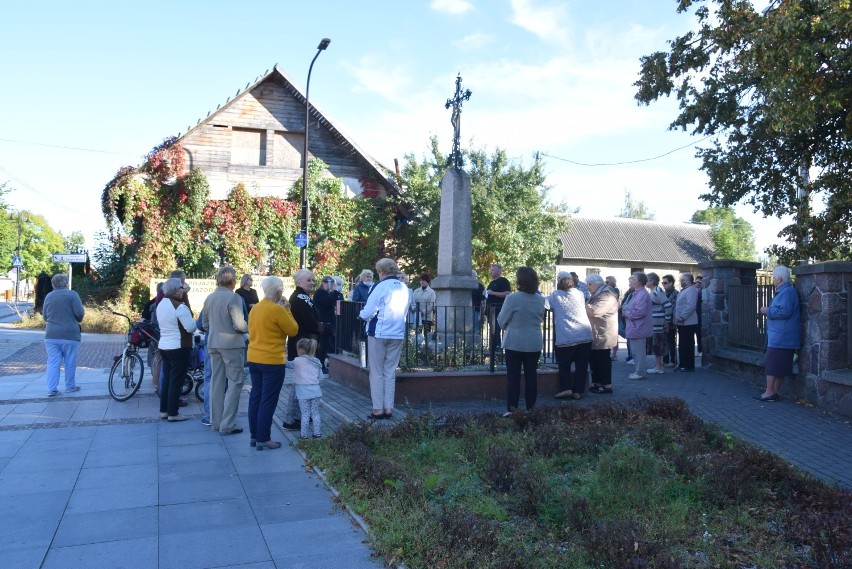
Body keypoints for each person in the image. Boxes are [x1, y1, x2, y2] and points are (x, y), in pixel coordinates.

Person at [247, 276, 298, 449]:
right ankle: (264, 437)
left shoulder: (256, 308)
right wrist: (287, 309)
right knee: (268, 399)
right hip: (272, 360)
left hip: (254, 357)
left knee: (256, 396)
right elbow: (293, 330)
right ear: (278, 291)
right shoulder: (278, 310)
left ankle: (254, 435)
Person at [358, 258, 409, 420]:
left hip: (379, 333)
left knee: (377, 372)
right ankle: (388, 408)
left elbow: (368, 311)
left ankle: (377, 409)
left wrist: (360, 315)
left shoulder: (379, 286)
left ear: (381, 271)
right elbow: (406, 311)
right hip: (397, 332)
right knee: (389, 372)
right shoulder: (404, 287)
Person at [200, 266, 248, 435]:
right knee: (235, 382)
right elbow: (240, 324)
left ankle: (215, 421)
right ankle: (228, 424)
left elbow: (204, 324)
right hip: (231, 344)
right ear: (233, 281)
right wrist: (248, 329)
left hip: (213, 343)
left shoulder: (210, 297)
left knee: (216, 382)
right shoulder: (233, 297)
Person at [498, 266, 545, 416]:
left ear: (519, 280)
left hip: (515, 342)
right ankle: (531, 408)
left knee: (513, 378)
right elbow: (541, 318)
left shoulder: (512, 298)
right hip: (534, 342)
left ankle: (512, 410)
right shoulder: (540, 299)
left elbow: (501, 321)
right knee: (532, 377)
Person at [282, 269, 325, 430]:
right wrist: (323, 328)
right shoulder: (300, 297)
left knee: (303, 382)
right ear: (299, 281)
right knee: (301, 383)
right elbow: (309, 322)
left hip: (304, 344)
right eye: (309, 280)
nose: (312, 283)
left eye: (313, 280)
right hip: (303, 345)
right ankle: (293, 419)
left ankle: (299, 416)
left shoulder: (303, 296)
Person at [756, 265, 801, 402]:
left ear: (780, 278)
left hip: (781, 336)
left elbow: (784, 311)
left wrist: (767, 311)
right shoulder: (786, 291)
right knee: (779, 365)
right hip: (783, 336)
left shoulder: (786, 292)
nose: (773, 280)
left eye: (774, 277)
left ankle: (769, 392)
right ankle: (773, 393)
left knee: (771, 363)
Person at [156, 277, 197, 421]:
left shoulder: (161, 304)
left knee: (167, 380)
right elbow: (191, 327)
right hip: (178, 347)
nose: (183, 291)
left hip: (164, 346)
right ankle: (173, 413)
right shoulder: (179, 306)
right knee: (176, 381)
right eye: (181, 288)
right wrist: (196, 322)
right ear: (175, 290)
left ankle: (164, 410)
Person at [547, 273, 592, 400]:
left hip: (566, 336)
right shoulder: (580, 294)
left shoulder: (556, 295)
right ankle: (578, 391)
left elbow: (547, 305)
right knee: (581, 365)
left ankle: (566, 388)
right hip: (585, 334)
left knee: (564, 364)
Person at [42, 273, 85, 397]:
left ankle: (52, 389)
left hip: (51, 335)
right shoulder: (72, 294)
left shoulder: (49, 296)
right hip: (70, 335)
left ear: (53, 284)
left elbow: (45, 317)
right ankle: (70, 386)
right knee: (70, 361)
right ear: (66, 283)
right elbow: (80, 314)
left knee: (53, 362)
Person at [586, 274, 619, 394]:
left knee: (603, 360)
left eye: (590, 284)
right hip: (597, 333)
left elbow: (596, 311)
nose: (587, 287)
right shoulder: (598, 293)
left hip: (604, 333)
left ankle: (607, 385)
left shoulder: (607, 295)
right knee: (594, 359)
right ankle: (597, 383)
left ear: (597, 283)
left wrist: (582, 304)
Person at [293, 338, 323, 439]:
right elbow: (321, 377)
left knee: (305, 414)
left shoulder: (297, 361)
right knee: (315, 413)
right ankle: (317, 433)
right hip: (316, 392)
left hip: (303, 393)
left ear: (301, 350)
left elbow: (287, 364)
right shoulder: (317, 361)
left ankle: (304, 435)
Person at [624, 272, 652, 380]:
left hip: (638, 328)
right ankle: (638, 371)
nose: (631, 280)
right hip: (634, 327)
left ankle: (640, 372)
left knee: (639, 353)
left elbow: (639, 312)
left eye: (634, 279)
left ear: (640, 282)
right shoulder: (637, 293)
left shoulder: (642, 294)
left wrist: (626, 313)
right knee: (635, 352)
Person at [313, 275, 342, 376]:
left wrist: (335, 293)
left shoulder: (326, 293)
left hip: (328, 322)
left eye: (332, 283)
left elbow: (337, 301)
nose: (330, 286)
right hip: (323, 323)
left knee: (325, 346)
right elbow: (328, 302)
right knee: (322, 346)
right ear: (323, 283)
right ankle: (320, 365)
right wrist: (334, 292)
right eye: (328, 283)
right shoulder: (320, 293)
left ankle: (321, 365)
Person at [645, 272, 671, 375]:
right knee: (656, 345)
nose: (645, 282)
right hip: (654, 324)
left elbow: (668, 306)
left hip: (658, 324)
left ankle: (659, 367)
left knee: (658, 345)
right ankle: (658, 365)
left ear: (651, 281)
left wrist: (667, 321)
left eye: (647, 280)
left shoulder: (657, 292)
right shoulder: (652, 292)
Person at [674, 272, 699, 372]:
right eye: (681, 280)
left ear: (688, 280)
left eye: (683, 280)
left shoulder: (691, 290)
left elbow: (691, 306)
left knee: (687, 344)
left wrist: (682, 317)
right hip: (682, 322)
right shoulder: (685, 290)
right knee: (683, 344)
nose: (681, 281)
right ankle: (682, 364)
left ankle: (688, 365)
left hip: (688, 322)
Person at [486, 264, 511, 349]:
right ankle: (492, 347)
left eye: (493, 270)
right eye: (491, 270)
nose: (491, 271)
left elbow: (507, 293)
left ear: (499, 271)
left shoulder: (503, 281)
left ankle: (497, 348)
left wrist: (492, 293)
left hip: (498, 309)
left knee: (496, 329)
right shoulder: (492, 282)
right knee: (492, 330)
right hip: (490, 309)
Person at [661, 274, 679, 368]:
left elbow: (673, 307)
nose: (664, 284)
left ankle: (673, 360)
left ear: (671, 283)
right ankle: (665, 360)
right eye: (662, 283)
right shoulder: (663, 293)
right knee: (664, 341)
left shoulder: (676, 294)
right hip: (662, 320)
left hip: (671, 321)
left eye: (665, 283)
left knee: (671, 341)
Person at [605, 275, 620, 360]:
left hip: (613, 313)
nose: (606, 283)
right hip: (607, 313)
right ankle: (609, 352)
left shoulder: (615, 290)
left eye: (607, 282)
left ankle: (614, 353)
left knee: (614, 333)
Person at [695, 275, 704, 355]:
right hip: (694, 315)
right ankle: (699, 349)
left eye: (699, 282)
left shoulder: (703, 291)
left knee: (700, 333)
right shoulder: (694, 291)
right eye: (696, 282)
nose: (697, 283)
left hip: (700, 314)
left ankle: (700, 349)